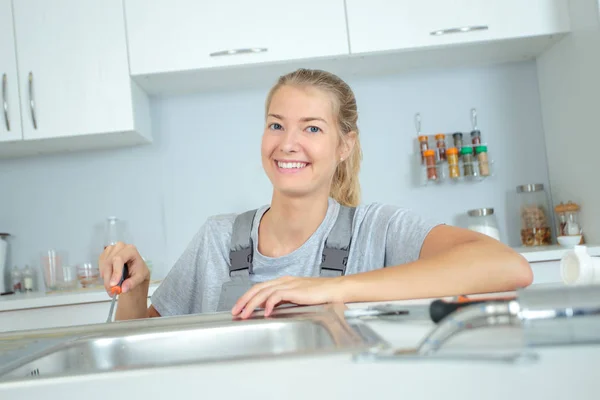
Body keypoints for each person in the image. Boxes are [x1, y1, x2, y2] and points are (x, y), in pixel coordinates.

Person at [99, 68, 533, 321]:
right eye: (276, 124)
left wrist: (331, 289)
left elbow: (505, 265)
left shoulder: (376, 231)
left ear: (344, 146)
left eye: (311, 128)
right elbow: (140, 353)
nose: (288, 143)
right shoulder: (216, 239)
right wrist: (134, 291)